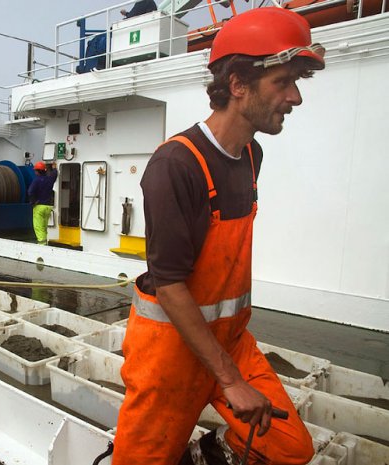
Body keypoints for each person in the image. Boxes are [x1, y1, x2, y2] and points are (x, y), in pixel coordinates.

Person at [113, 8, 325, 465]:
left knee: (290, 448)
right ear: (238, 84)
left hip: (228, 342)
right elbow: (169, 284)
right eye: (283, 82)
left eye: (297, 83)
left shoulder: (252, 156)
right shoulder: (177, 165)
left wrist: (228, 370)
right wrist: (230, 381)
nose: (295, 98)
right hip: (169, 356)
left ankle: (207, 454)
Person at [27, 161, 57, 245]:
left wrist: (33, 202)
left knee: (38, 227)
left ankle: (42, 246)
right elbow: (54, 174)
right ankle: (45, 244)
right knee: (44, 227)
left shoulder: (36, 180)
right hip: (48, 207)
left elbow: (30, 192)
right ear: (45, 170)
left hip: (39, 207)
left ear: (37, 171)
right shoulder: (50, 179)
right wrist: (54, 168)